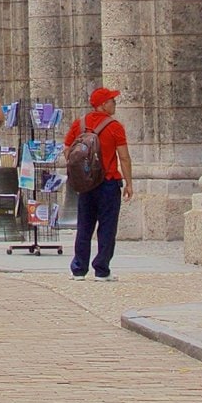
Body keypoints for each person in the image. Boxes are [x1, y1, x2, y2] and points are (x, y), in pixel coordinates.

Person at [64, 87, 131, 280]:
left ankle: (79, 268)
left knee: (84, 226)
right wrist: (129, 182)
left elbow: (67, 149)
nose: (114, 104)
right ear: (103, 104)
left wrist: (82, 171)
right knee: (107, 227)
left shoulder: (80, 124)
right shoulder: (115, 127)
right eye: (112, 101)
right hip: (108, 182)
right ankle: (102, 269)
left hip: (86, 184)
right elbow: (124, 157)